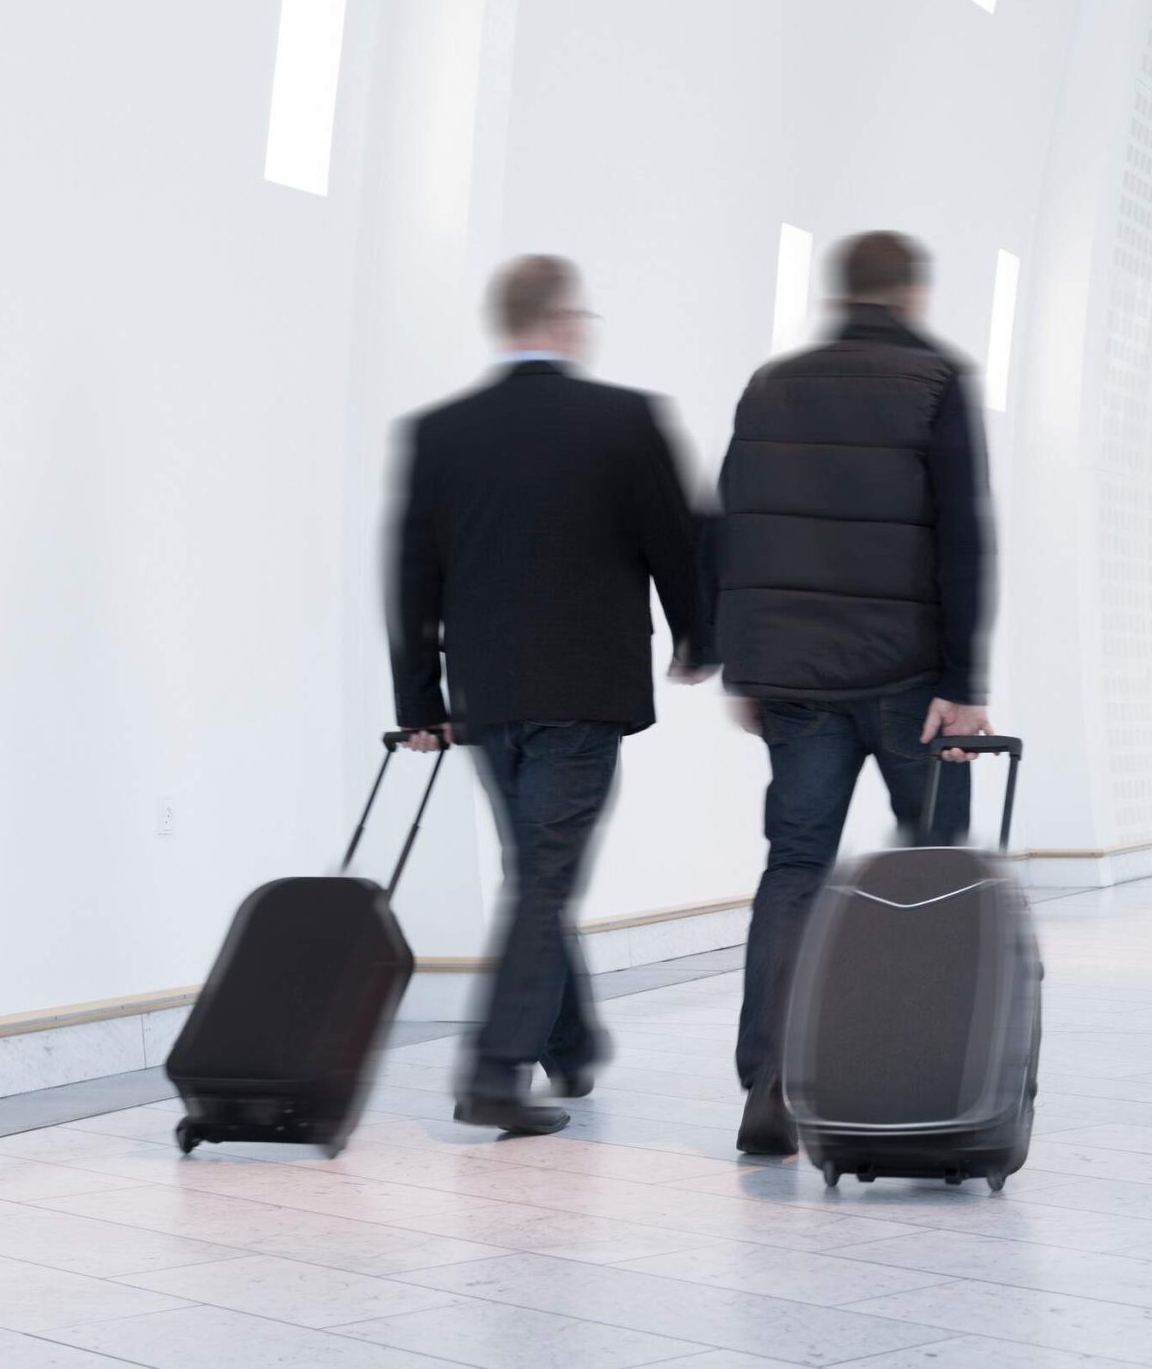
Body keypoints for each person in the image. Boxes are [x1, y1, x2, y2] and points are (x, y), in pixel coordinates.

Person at [388, 255, 710, 1136]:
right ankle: (495, 1072)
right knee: (543, 873)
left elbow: (411, 575)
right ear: (565, 321)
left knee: (536, 867)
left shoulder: (443, 431)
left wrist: (421, 698)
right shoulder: (623, 419)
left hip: (487, 694)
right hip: (585, 686)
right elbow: (673, 542)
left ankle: (568, 1043)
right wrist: (698, 636)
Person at [711, 229, 996, 1157]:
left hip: (796, 681)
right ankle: (920, 1072)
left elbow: (737, 524)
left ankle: (771, 1084)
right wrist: (963, 681)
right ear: (911, 293)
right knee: (936, 870)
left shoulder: (772, 384)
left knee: (794, 870)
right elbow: (964, 534)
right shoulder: (937, 380)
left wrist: (745, 664)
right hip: (911, 678)